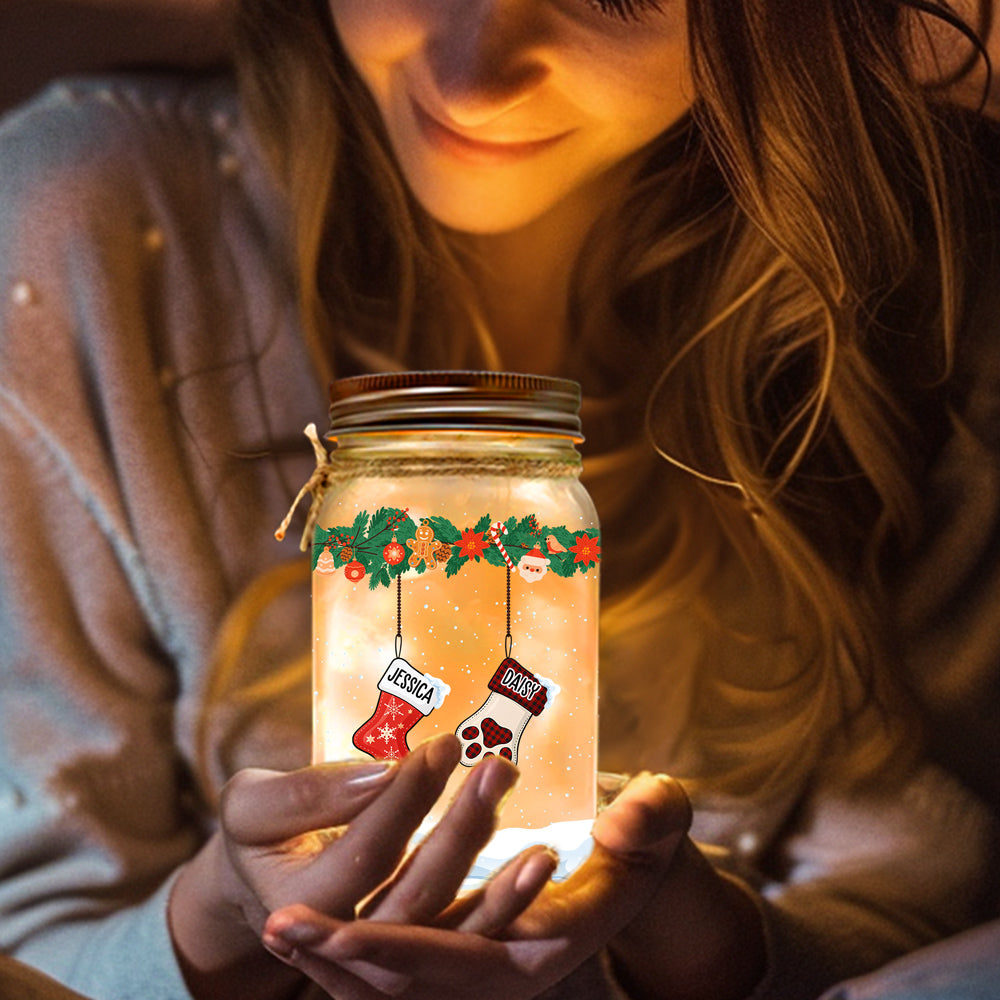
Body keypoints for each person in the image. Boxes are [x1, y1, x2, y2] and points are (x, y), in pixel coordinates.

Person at [1, 1, 1000, 999]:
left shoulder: (903, 279)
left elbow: (928, 902)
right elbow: (27, 934)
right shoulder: (83, 235)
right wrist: (216, 919)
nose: (473, 73)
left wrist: (692, 937)